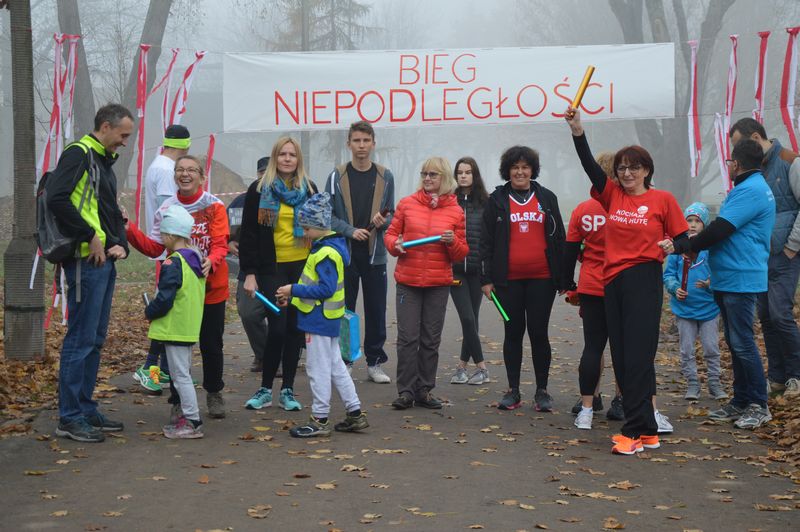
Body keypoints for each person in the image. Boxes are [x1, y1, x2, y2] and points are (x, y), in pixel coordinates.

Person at [565, 107, 688, 455]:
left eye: (634, 167)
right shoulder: (612, 196)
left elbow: (684, 238)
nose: (627, 173)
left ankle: (633, 432)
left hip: (643, 279)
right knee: (621, 356)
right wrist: (578, 131)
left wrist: (673, 245)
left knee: (637, 356)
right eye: (621, 168)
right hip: (612, 280)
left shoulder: (662, 200)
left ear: (646, 170)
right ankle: (648, 432)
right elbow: (588, 164)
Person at [662, 139, 776, 430]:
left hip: (741, 278)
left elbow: (720, 229)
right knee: (735, 343)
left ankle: (758, 404)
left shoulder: (750, 190)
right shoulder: (749, 188)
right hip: (728, 277)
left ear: (736, 163)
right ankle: (741, 400)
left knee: (743, 343)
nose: (729, 167)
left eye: (729, 162)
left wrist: (687, 246)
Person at [48, 103, 133, 442]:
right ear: (105, 126)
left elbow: (109, 210)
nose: (125, 142)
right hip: (84, 261)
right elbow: (57, 199)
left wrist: (120, 243)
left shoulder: (103, 160)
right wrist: (89, 236)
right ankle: (69, 417)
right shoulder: (79, 154)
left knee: (95, 339)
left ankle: (85, 407)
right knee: (80, 339)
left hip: (103, 262)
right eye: (123, 135)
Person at [127, 155, 230, 420]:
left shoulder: (214, 205)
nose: (185, 174)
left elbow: (221, 244)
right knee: (175, 347)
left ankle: (214, 392)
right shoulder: (167, 208)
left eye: (191, 170)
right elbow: (155, 248)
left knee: (211, 344)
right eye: (180, 170)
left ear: (202, 177)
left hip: (211, 289)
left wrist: (211, 260)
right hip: (180, 293)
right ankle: (177, 400)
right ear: (174, 176)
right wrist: (129, 229)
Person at [275, 193, 369, 437]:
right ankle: (355, 413)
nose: (304, 233)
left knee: (317, 370)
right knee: (336, 367)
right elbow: (317, 287)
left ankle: (320, 419)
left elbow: (325, 290)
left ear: (319, 225)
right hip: (328, 319)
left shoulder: (324, 253)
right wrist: (293, 297)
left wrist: (293, 289)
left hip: (318, 321)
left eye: (306, 228)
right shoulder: (331, 248)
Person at [480, 146, 566, 413]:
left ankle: (542, 391)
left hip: (543, 280)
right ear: (507, 170)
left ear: (532, 170)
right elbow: (485, 242)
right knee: (513, 332)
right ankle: (513, 390)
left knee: (539, 333)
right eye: (515, 167)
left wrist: (563, 276)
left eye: (525, 167)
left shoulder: (547, 198)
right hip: (506, 282)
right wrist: (485, 279)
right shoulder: (495, 200)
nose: (520, 172)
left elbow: (560, 238)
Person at [385, 157, 468, 410]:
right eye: (424, 174)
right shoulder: (407, 204)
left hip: (438, 283)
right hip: (408, 282)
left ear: (444, 178)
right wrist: (395, 245)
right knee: (408, 338)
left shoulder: (456, 211)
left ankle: (424, 390)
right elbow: (390, 235)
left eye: (433, 174)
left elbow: (461, 252)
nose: (427, 178)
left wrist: (452, 242)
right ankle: (406, 391)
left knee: (431, 340)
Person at [241, 137, 317, 412]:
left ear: (298, 160)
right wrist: (250, 273)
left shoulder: (309, 189)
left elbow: (320, 229)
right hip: (272, 268)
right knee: (277, 328)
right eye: (282, 154)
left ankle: (287, 390)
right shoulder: (259, 189)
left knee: (294, 329)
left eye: (292, 155)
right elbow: (248, 234)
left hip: (302, 267)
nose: (287, 159)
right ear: (275, 158)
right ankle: (264, 389)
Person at [729, 118, 800, 397]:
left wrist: (792, 246)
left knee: (780, 314)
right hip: (759, 256)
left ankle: (796, 375)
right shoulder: (752, 171)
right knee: (766, 316)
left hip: (785, 254)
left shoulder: (790, 162)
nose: (737, 154)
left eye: (740, 145)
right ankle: (777, 377)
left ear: (756, 138)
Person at [326, 121, 395, 383]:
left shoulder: (385, 176)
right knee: (345, 310)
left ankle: (375, 363)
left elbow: (393, 215)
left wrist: (383, 222)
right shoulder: (337, 176)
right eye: (356, 141)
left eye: (366, 141)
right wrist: (350, 230)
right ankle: (345, 361)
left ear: (373, 144)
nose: (361, 146)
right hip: (345, 254)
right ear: (349, 144)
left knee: (376, 310)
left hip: (375, 254)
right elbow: (327, 216)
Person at [565, 151, 625, 423]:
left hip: (591, 284)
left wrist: (568, 283)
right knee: (622, 347)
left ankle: (591, 397)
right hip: (621, 283)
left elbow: (572, 249)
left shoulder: (583, 209)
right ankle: (621, 399)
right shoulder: (626, 207)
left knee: (593, 346)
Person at [133, 124, 192, 395]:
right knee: (167, 313)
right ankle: (150, 369)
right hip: (170, 250)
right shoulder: (168, 170)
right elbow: (172, 213)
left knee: (171, 312)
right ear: (185, 146)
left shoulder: (157, 165)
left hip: (167, 247)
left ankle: (165, 371)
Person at [143, 205, 206, 439]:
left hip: (174, 327)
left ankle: (192, 421)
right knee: (183, 374)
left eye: (162, 234)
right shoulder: (196, 259)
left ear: (171, 235)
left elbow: (165, 298)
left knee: (180, 377)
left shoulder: (173, 263)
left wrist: (150, 311)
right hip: (187, 327)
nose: (161, 239)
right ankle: (189, 418)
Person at [662, 202, 725, 401]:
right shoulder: (677, 250)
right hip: (684, 309)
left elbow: (720, 273)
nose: (692, 224)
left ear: (704, 225)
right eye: (688, 220)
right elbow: (668, 275)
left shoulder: (710, 250)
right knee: (686, 349)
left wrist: (710, 283)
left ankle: (714, 383)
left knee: (711, 348)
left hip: (709, 309)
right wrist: (675, 288)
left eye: (697, 221)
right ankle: (692, 384)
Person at [449, 157, 490, 385]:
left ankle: (461, 368)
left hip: (477, 271)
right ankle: (482, 368)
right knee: (466, 317)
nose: (463, 176)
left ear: (475, 175)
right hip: (455, 271)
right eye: (460, 172)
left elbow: (491, 239)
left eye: (468, 172)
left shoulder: (486, 202)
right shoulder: (449, 201)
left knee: (472, 319)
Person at [229, 157, 269, 373]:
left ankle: (281, 356)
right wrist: (228, 241)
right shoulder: (240, 202)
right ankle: (263, 354)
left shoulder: (290, 198)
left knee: (284, 315)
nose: (265, 176)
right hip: (250, 268)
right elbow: (225, 228)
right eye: (262, 172)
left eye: (270, 171)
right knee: (248, 313)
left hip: (281, 268)